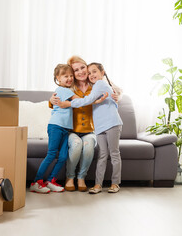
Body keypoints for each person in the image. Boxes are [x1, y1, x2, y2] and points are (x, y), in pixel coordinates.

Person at [50, 56, 122, 192]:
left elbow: (114, 91)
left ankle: (81, 177)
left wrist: (117, 97)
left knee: (89, 147)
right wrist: (51, 99)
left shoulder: (95, 85)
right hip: (72, 131)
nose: (81, 72)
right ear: (72, 73)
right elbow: (56, 102)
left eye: (83, 68)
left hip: (90, 131)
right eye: (76, 70)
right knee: (77, 145)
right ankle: (70, 177)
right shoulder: (68, 87)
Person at [30, 64, 78, 193]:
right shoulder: (63, 90)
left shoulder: (67, 90)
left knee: (63, 156)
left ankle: (51, 180)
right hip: (56, 126)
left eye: (71, 76)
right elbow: (79, 101)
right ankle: (36, 182)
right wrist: (95, 99)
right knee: (51, 154)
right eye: (65, 76)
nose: (69, 78)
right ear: (58, 78)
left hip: (65, 129)